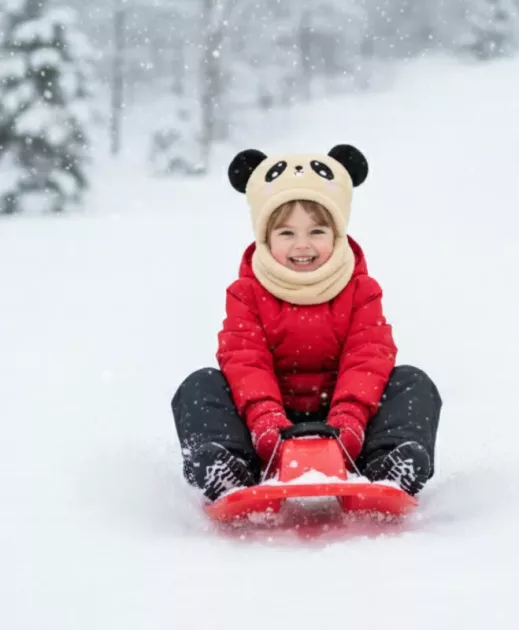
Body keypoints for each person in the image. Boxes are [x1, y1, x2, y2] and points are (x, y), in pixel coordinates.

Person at [171, 144, 442, 502]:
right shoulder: (246, 292)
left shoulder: (361, 289)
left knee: (412, 382)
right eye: (287, 233)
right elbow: (245, 359)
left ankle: (387, 466)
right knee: (200, 386)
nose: (302, 245)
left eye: (317, 232)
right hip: (264, 427)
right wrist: (266, 422)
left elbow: (368, 355)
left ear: (337, 234)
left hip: (349, 424)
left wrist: (350, 420)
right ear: (266, 238)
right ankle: (229, 469)